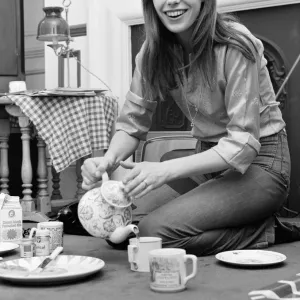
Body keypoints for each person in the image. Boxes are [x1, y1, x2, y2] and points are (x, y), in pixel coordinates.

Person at [81, 0, 293, 256]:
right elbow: (131, 125)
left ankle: (265, 231)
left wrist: (163, 170)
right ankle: (235, 217)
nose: (171, 1)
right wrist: (108, 160)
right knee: (121, 223)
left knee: (151, 233)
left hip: (260, 163)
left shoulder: (236, 44)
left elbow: (242, 145)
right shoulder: (152, 51)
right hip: (207, 161)